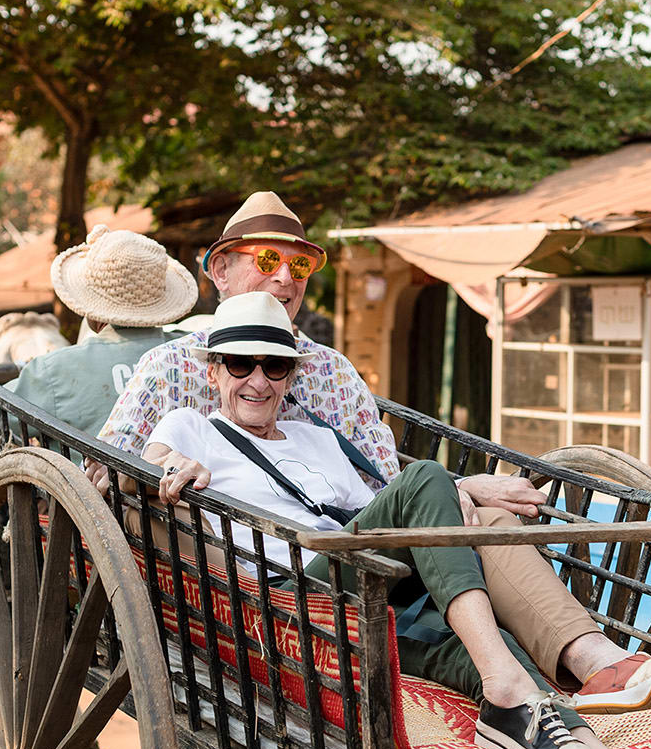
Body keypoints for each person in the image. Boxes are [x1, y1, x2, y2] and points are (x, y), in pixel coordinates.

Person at [147, 292, 651, 749]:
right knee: (438, 481)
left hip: (379, 583)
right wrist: (171, 467)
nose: (256, 380)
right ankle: (575, 670)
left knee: (483, 560)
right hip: (300, 590)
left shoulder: (322, 440)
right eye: (238, 363)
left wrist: (468, 494)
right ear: (212, 370)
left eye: (273, 365)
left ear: (290, 376)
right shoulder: (188, 428)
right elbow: (138, 471)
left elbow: (398, 505)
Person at [91, 190, 546, 522]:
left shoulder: (332, 370)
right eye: (268, 261)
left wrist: (457, 488)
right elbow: (100, 471)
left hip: (348, 535)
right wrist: (164, 465)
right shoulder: (168, 366)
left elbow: (383, 480)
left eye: (300, 265)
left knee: (494, 525)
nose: (286, 278)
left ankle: (583, 652)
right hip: (235, 568)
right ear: (221, 271)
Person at [0, 225, 198, 444]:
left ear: (91, 313)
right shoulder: (195, 355)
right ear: (161, 301)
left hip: (95, 523)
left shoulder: (55, 371)